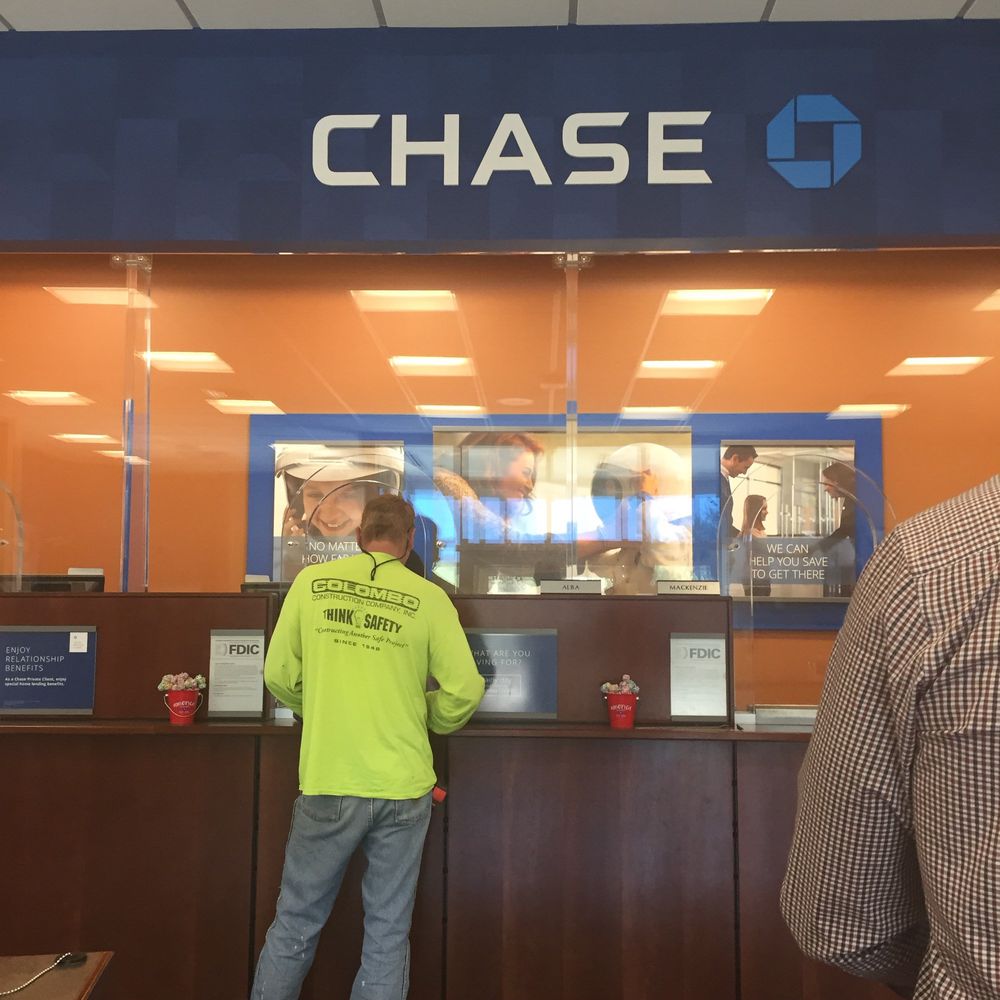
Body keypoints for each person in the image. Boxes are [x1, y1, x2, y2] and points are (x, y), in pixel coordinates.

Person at [252, 494, 485, 1000]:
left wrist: (322, 707)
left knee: (295, 924)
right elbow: (466, 690)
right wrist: (427, 715)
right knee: (387, 933)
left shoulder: (311, 585)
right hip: (403, 787)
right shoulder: (429, 599)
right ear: (409, 543)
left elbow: (278, 675)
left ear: (359, 537)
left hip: (329, 779)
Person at [780, 475, 1000, 999]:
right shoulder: (931, 564)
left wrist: (951, 967)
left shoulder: (930, 564)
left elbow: (840, 914)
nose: (826, 493)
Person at [274, 444, 404, 582]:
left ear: (378, 499)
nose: (329, 514)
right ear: (299, 503)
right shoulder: (285, 555)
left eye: (347, 495)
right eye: (315, 495)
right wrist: (293, 560)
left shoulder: (400, 555)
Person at [814, 460, 857, 596]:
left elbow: (844, 529)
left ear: (837, 482)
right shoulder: (852, 499)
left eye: (827, 484)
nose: (825, 489)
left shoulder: (855, 500)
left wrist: (814, 549)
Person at [720, 445, 758, 540]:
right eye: (745, 467)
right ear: (735, 459)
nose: (744, 473)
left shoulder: (724, 479)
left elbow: (724, 523)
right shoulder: (713, 479)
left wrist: (742, 534)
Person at [739, 493, 771, 596]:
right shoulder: (748, 535)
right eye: (764, 509)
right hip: (754, 581)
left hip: (764, 579)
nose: (767, 512)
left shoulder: (761, 532)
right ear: (755, 511)